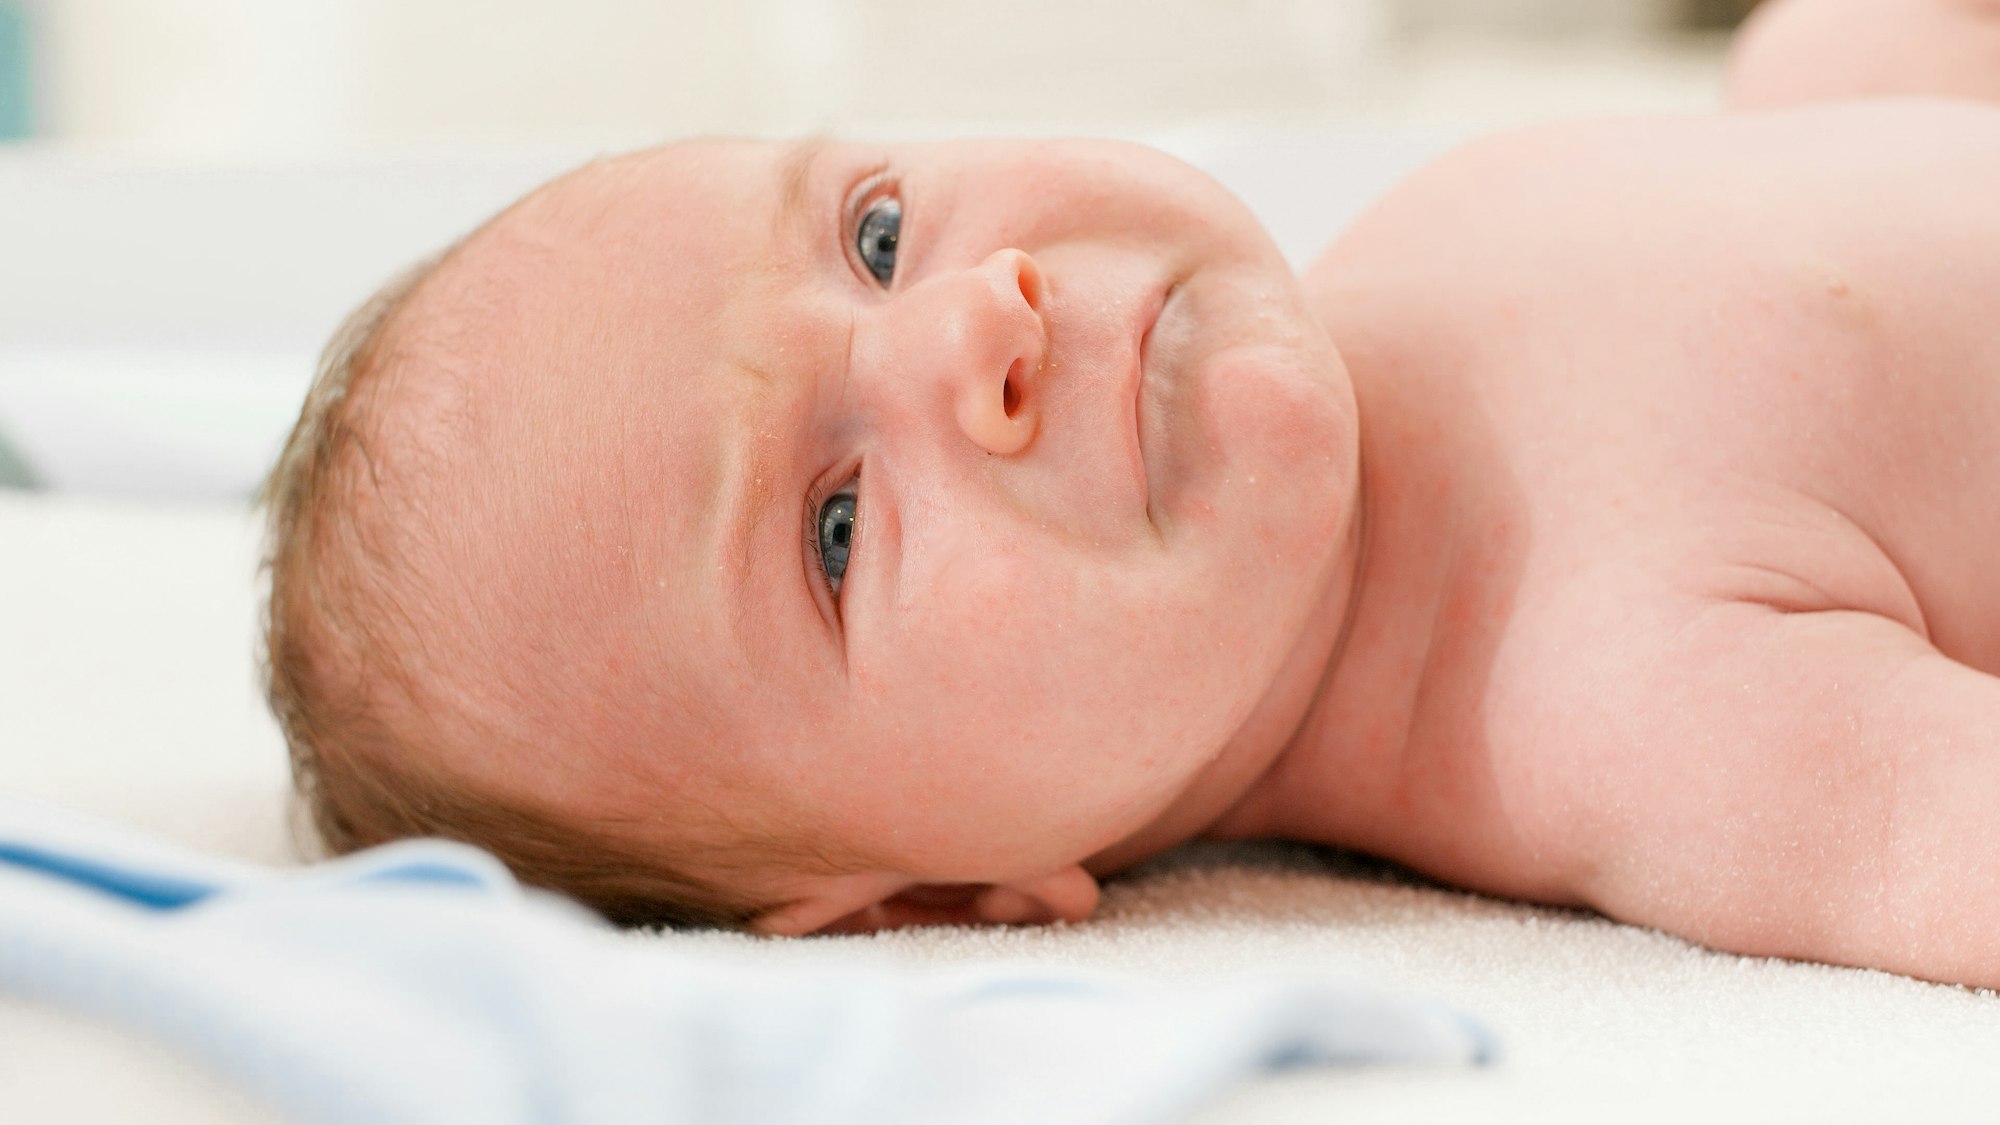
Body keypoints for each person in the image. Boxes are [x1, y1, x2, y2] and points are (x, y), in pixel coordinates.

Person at [259, 0, 2000, 988]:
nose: (975, 322)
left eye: (875, 236)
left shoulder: (1426, 228)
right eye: (838, 530)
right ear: (932, 903)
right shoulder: (1612, 703)